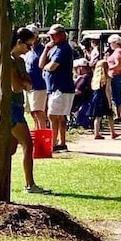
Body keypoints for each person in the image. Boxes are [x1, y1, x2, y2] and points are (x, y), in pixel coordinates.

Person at [10, 28, 51, 194]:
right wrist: (22, 83)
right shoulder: (7, 61)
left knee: (9, 149)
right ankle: (30, 185)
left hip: (18, 106)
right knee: (28, 144)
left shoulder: (19, 61)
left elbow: (28, 83)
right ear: (19, 42)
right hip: (10, 108)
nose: (30, 48)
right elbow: (16, 87)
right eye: (28, 45)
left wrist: (22, 82)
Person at [39, 24, 75, 152]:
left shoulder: (63, 48)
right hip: (54, 88)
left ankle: (53, 143)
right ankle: (61, 142)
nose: (51, 37)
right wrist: (46, 49)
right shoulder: (54, 48)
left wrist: (46, 67)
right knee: (58, 116)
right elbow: (41, 64)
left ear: (62, 35)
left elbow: (52, 66)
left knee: (53, 115)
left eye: (53, 35)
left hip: (61, 87)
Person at [23, 24, 48, 131]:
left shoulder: (42, 50)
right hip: (29, 86)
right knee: (33, 113)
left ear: (36, 36)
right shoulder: (28, 51)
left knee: (39, 113)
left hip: (39, 86)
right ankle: (37, 135)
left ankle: (43, 136)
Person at [90, 59, 119, 140]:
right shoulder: (107, 78)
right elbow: (107, 91)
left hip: (96, 98)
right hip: (104, 98)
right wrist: (109, 102)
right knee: (110, 115)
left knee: (98, 117)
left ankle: (96, 133)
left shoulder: (95, 79)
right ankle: (112, 132)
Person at [106, 34, 121, 121]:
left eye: (111, 43)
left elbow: (118, 64)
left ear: (115, 43)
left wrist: (107, 68)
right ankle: (119, 114)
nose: (110, 45)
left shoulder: (117, 52)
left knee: (116, 95)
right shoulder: (120, 51)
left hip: (115, 75)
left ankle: (119, 114)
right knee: (117, 95)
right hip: (118, 75)